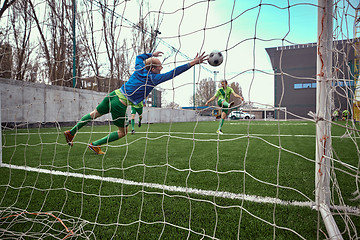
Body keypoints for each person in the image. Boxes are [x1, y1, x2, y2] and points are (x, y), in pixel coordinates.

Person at [64, 51, 208, 154]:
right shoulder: (153, 78)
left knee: (94, 114)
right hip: (119, 103)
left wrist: (151, 55)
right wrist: (192, 63)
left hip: (113, 94)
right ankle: (95, 145)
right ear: (152, 69)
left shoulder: (139, 68)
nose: (161, 69)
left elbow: (139, 56)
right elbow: (173, 73)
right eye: (159, 67)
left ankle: (71, 132)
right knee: (123, 132)